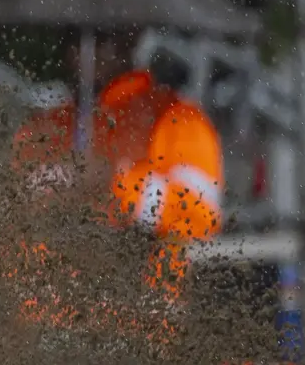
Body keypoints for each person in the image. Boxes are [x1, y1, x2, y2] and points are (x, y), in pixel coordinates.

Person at [13, 31, 225, 244]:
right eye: (71, 37)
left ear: (129, 40)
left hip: (144, 273)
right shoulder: (43, 127)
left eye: (99, 39)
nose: (79, 51)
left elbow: (200, 217)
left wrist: (115, 185)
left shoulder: (178, 118)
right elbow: (8, 216)